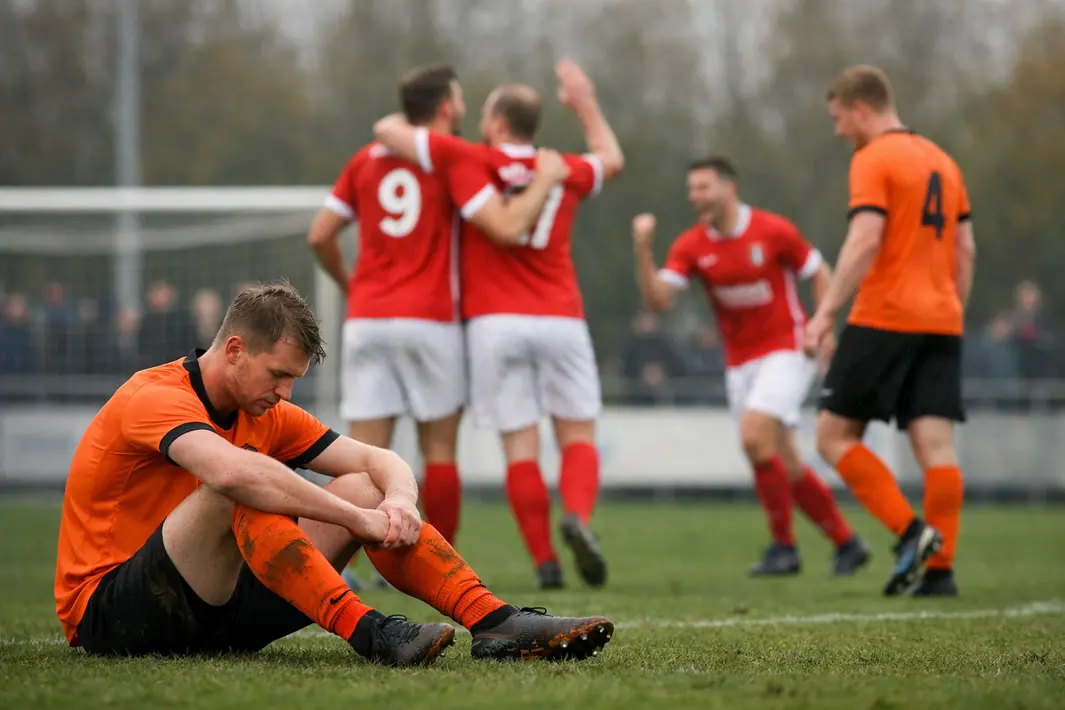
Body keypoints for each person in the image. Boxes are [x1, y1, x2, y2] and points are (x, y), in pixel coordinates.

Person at [53, 282, 615, 663]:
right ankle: (370, 633)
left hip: (215, 611)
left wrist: (395, 500)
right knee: (243, 484)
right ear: (233, 350)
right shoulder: (152, 397)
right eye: (278, 374)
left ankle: (493, 621)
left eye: (293, 379)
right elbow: (231, 474)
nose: (285, 393)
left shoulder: (265, 407)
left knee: (365, 487)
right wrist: (355, 521)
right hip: (111, 612)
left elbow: (378, 459)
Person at [373, 60, 623, 590]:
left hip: (493, 323)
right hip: (560, 317)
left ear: (497, 124)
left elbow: (389, 130)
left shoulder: (470, 157)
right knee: (577, 433)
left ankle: (544, 560)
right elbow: (611, 159)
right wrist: (584, 102)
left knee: (520, 445)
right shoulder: (565, 168)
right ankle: (577, 514)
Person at [307, 63, 570, 567]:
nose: (467, 111)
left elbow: (320, 234)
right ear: (446, 107)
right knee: (440, 450)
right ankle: (435, 559)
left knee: (363, 456)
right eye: (461, 101)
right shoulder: (452, 162)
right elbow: (501, 224)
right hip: (431, 320)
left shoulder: (364, 160)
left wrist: (351, 283)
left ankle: (343, 567)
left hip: (368, 319)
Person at [631, 156, 870, 577]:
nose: (696, 197)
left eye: (703, 187)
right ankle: (847, 543)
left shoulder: (772, 230)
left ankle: (784, 547)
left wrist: (823, 324)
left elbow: (817, 271)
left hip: (787, 348)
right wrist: (643, 248)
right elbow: (658, 301)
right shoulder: (691, 245)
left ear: (729, 188)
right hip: (739, 363)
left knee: (754, 436)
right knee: (785, 460)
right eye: (692, 189)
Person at [805, 65, 976, 597]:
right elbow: (966, 249)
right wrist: (952, 311)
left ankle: (910, 532)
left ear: (861, 108)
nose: (837, 131)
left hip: (885, 314)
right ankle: (941, 572)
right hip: (942, 318)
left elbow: (865, 237)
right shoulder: (943, 162)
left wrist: (826, 311)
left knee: (833, 436)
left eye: (838, 118)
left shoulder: (874, 157)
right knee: (937, 447)